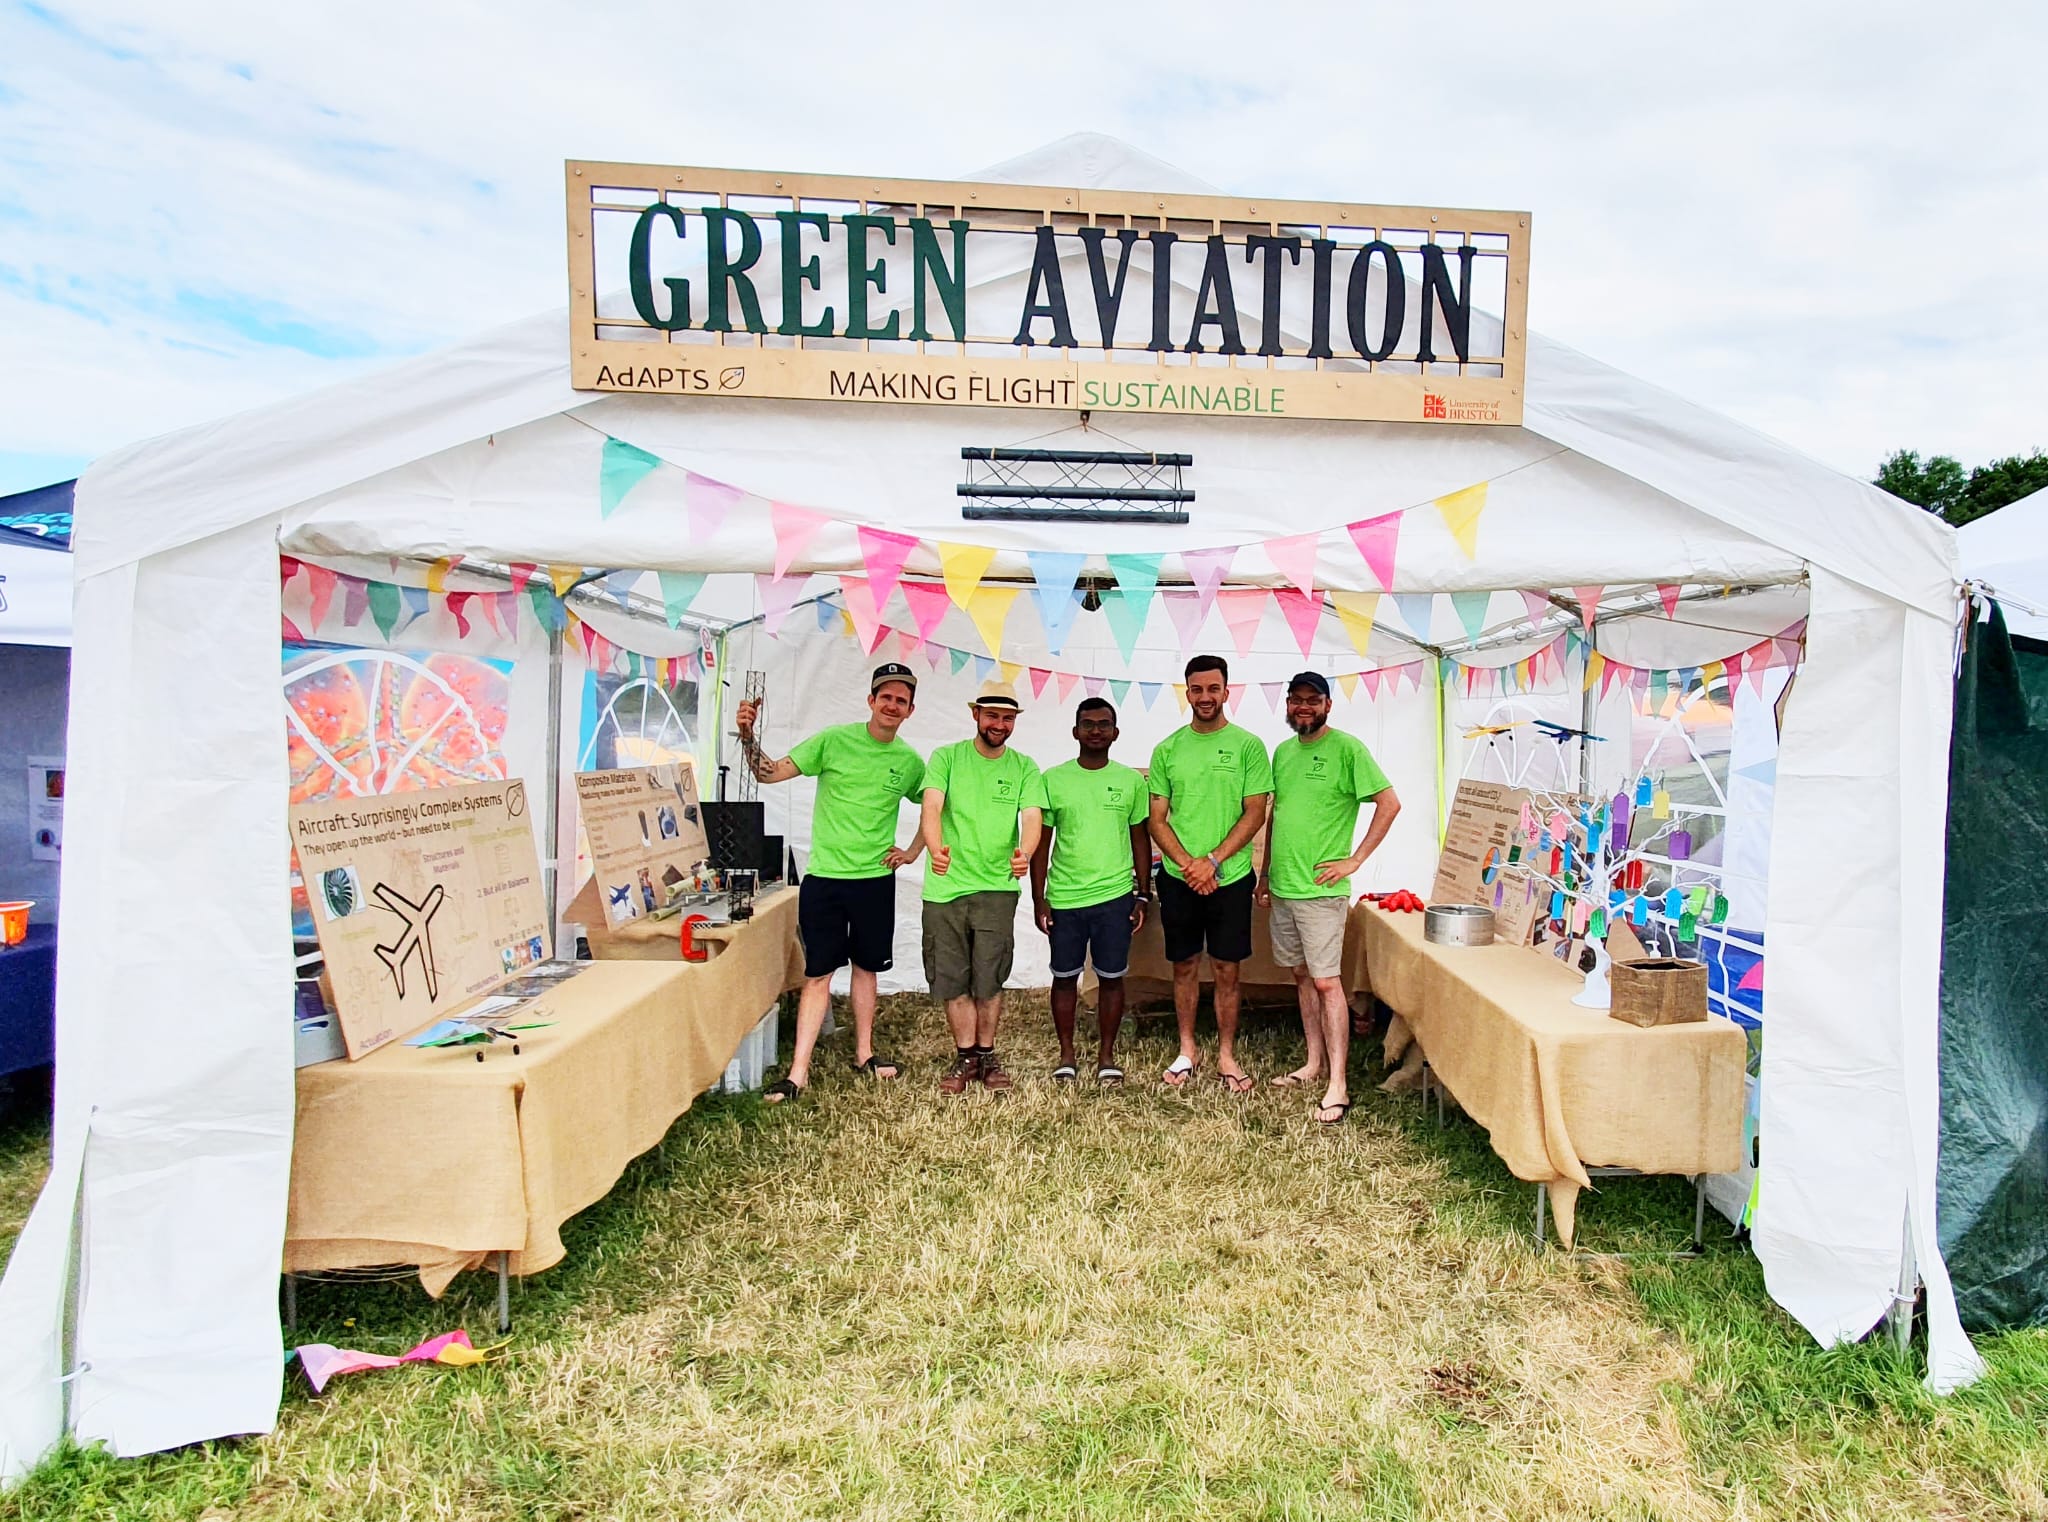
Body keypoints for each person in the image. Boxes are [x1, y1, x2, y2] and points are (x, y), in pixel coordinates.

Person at [735, 662, 925, 1103]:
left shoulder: (910, 761)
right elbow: (768, 772)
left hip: (875, 881)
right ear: (871, 701)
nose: (892, 705)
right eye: (886, 697)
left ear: (910, 710)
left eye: (901, 700)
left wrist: (912, 851)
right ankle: (798, 1072)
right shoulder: (833, 741)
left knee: (867, 968)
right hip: (824, 879)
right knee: (818, 973)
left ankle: (864, 1053)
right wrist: (747, 736)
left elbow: (937, 806)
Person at [1259, 670, 1401, 1124]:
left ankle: (1338, 1082)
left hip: (1321, 891)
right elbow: (1276, 818)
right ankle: (1313, 1063)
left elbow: (1390, 803)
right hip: (1283, 886)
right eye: (1295, 699)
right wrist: (1264, 877)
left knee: (1326, 982)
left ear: (1327, 706)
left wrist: (1355, 861)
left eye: (1312, 700)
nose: (1303, 707)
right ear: (1287, 704)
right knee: (1301, 975)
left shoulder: (1348, 749)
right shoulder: (1282, 753)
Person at [1146, 654, 1273, 1092]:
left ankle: (1226, 1054)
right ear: (1187, 693)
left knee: (1226, 969)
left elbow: (1254, 813)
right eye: (1196, 689)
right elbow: (1157, 819)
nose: (1205, 697)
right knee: (1184, 965)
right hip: (1181, 879)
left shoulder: (1248, 746)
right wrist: (1189, 866)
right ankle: (1186, 1049)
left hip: (1231, 877)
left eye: (1213, 688)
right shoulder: (1167, 749)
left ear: (1226, 691)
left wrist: (1214, 861)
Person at [920, 679, 1047, 1094]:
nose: (999, 724)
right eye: (992, 715)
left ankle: (988, 1054)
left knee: (989, 977)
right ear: (975, 714)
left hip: (997, 887)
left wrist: (1024, 853)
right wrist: (936, 849)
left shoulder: (1024, 767)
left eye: (1007, 718)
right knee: (952, 978)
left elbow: (1032, 818)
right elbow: (932, 806)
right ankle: (965, 1057)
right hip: (946, 887)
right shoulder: (947, 758)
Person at [1029, 697, 1152, 1085]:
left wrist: (1142, 893)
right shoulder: (1053, 779)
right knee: (1065, 977)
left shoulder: (1131, 781)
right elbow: (1040, 844)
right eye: (1088, 723)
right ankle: (1066, 1054)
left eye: (1103, 724)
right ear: (1075, 731)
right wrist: (1039, 897)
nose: (1095, 730)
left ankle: (1106, 1056)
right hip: (1065, 897)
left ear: (1116, 733)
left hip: (1115, 897)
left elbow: (1141, 841)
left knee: (1112, 978)